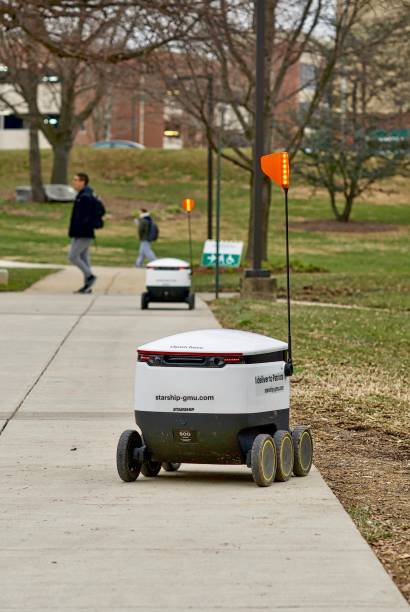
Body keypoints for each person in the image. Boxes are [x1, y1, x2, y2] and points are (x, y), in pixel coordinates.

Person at [68, 172, 98, 293]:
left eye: (76, 180)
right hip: (80, 232)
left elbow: (85, 216)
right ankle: (87, 286)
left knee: (72, 256)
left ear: (82, 182)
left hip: (84, 233)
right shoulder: (83, 195)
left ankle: (90, 276)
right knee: (84, 258)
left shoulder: (85, 196)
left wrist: (82, 227)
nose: (73, 182)